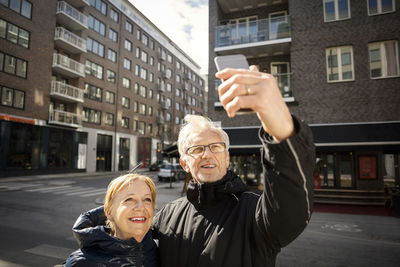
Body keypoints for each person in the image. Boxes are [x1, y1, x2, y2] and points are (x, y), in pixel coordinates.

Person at [74, 66, 315, 266]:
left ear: (227, 158)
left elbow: (291, 206)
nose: (207, 154)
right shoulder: (169, 214)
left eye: (216, 147)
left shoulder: (255, 212)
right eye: (197, 149)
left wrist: (279, 122)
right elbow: (125, 234)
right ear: (184, 163)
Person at [65, 174, 159, 267]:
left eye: (147, 199)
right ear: (109, 212)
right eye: (129, 199)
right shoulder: (82, 263)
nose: (141, 207)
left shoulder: (161, 249)